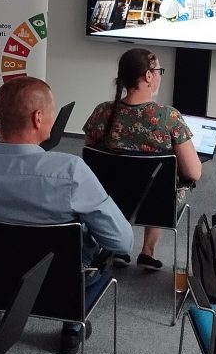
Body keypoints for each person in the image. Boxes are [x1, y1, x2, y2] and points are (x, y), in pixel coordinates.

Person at [0, 77, 132, 354]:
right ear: (38, 117)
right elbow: (122, 242)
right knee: (98, 257)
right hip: (59, 290)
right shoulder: (70, 172)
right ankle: (72, 325)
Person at [82, 48, 202, 270]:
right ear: (148, 75)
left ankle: (116, 246)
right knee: (160, 180)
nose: (159, 76)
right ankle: (147, 251)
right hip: (157, 204)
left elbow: (90, 158)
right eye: (159, 71)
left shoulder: (101, 112)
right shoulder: (168, 117)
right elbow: (193, 173)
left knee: (129, 179)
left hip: (108, 199)